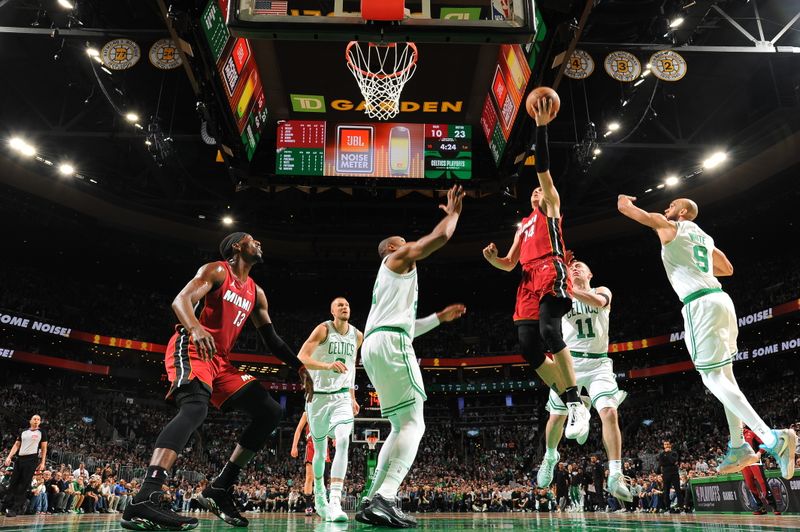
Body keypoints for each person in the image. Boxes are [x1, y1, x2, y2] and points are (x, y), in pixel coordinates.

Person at [121, 232, 311, 531]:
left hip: (220, 361)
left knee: (270, 412)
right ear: (237, 246)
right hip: (192, 346)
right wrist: (195, 327)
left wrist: (299, 367)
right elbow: (181, 300)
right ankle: (146, 497)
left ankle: (220, 488)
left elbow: (271, 339)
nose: (259, 242)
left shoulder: (256, 292)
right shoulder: (217, 270)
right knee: (195, 409)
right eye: (252, 239)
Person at [617, 195, 796, 478]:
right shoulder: (704, 237)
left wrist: (623, 202)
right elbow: (727, 268)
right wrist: (692, 262)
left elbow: (636, 214)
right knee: (726, 378)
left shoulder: (671, 226)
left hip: (699, 304)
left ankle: (773, 439)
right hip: (722, 300)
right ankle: (738, 446)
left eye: (672, 205)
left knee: (711, 379)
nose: (667, 208)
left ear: (684, 211)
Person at [356, 185, 467, 527]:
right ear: (391, 249)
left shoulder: (390, 281)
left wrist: (438, 318)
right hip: (390, 345)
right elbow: (435, 241)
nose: (408, 245)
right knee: (415, 423)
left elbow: (403, 326)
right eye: (402, 241)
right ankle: (387, 496)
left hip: (376, 345)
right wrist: (454, 215)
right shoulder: (396, 259)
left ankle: (370, 499)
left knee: (399, 425)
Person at [482, 97, 590, 443]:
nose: (535, 192)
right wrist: (492, 259)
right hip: (526, 279)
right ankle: (568, 395)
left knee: (548, 330)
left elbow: (542, 170)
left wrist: (542, 125)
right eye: (531, 192)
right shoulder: (523, 225)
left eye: (538, 191)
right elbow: (509, 263)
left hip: (550, 270)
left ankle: (573, 400)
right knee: (528, 346)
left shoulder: (551, 209)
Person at [535, 261, 632, 503]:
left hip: (599, 364)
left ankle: (616, 473)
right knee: (557, 417)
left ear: (590, 273)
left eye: (580, 266)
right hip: (570, 363)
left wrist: (565, 288)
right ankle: (550, 456)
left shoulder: (602, 290)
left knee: (609, 412)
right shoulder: (562, 298)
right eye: (572, 267)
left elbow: (598, 303)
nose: (576, 268)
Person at [295, 297, 362, 522]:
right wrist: (326, 365)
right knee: (321, 453)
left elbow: (351, 367)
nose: (345, 307)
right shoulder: (323, 329)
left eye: (347, 305)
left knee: (343, 440)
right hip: (318, 398)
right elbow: (302, 357)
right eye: (340, 305)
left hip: (342, 396)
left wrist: (352, 396)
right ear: (332, 311)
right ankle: (319, 496)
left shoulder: (357, 335)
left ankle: (335, 500)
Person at [3, 414, 48, 517]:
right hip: (20, 458)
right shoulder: (23, 431)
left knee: (24, 485)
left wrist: (42, 462)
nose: (36, 421)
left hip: (32, 459)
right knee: (13, 482)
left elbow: (44, 448)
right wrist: (9, 457)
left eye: (38, 419)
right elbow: (16, 445)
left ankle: (15, 509)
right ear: (30, 421)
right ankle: (6, 506)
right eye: (35, 419)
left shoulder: (42, 432)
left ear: (40, 422)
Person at [290, 412, 325, 515]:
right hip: (311, 446)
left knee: (322, 478)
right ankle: (309, 506)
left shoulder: (326, 410)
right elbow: (299, 429)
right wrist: (294, 446)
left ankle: (321, 504)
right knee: (309, 477)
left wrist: (335, 438)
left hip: (324, 445)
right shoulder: (307, 413)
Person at [742, 425, 781, 515]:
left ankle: (774, 507)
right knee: (750, 485)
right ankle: (760, 507)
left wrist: (760, 453)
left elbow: (764, 444)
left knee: (762, 483)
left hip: (754, 461)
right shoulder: (734, 437)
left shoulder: (751, 433)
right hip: (744, 463)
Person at [656, 440, 682, 512]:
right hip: (666, 474)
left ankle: (680, 507)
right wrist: (669, 462)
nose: (666, 445)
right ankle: (667, 507)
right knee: (666, 491)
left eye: (668, 444)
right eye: (665, 444)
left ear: (670, 445)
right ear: (663, 446)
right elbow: (661, 463)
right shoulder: (661, 454)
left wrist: (668, 453)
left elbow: (673, 460)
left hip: (674, 473)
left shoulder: (674, 453)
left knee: (678, 490)